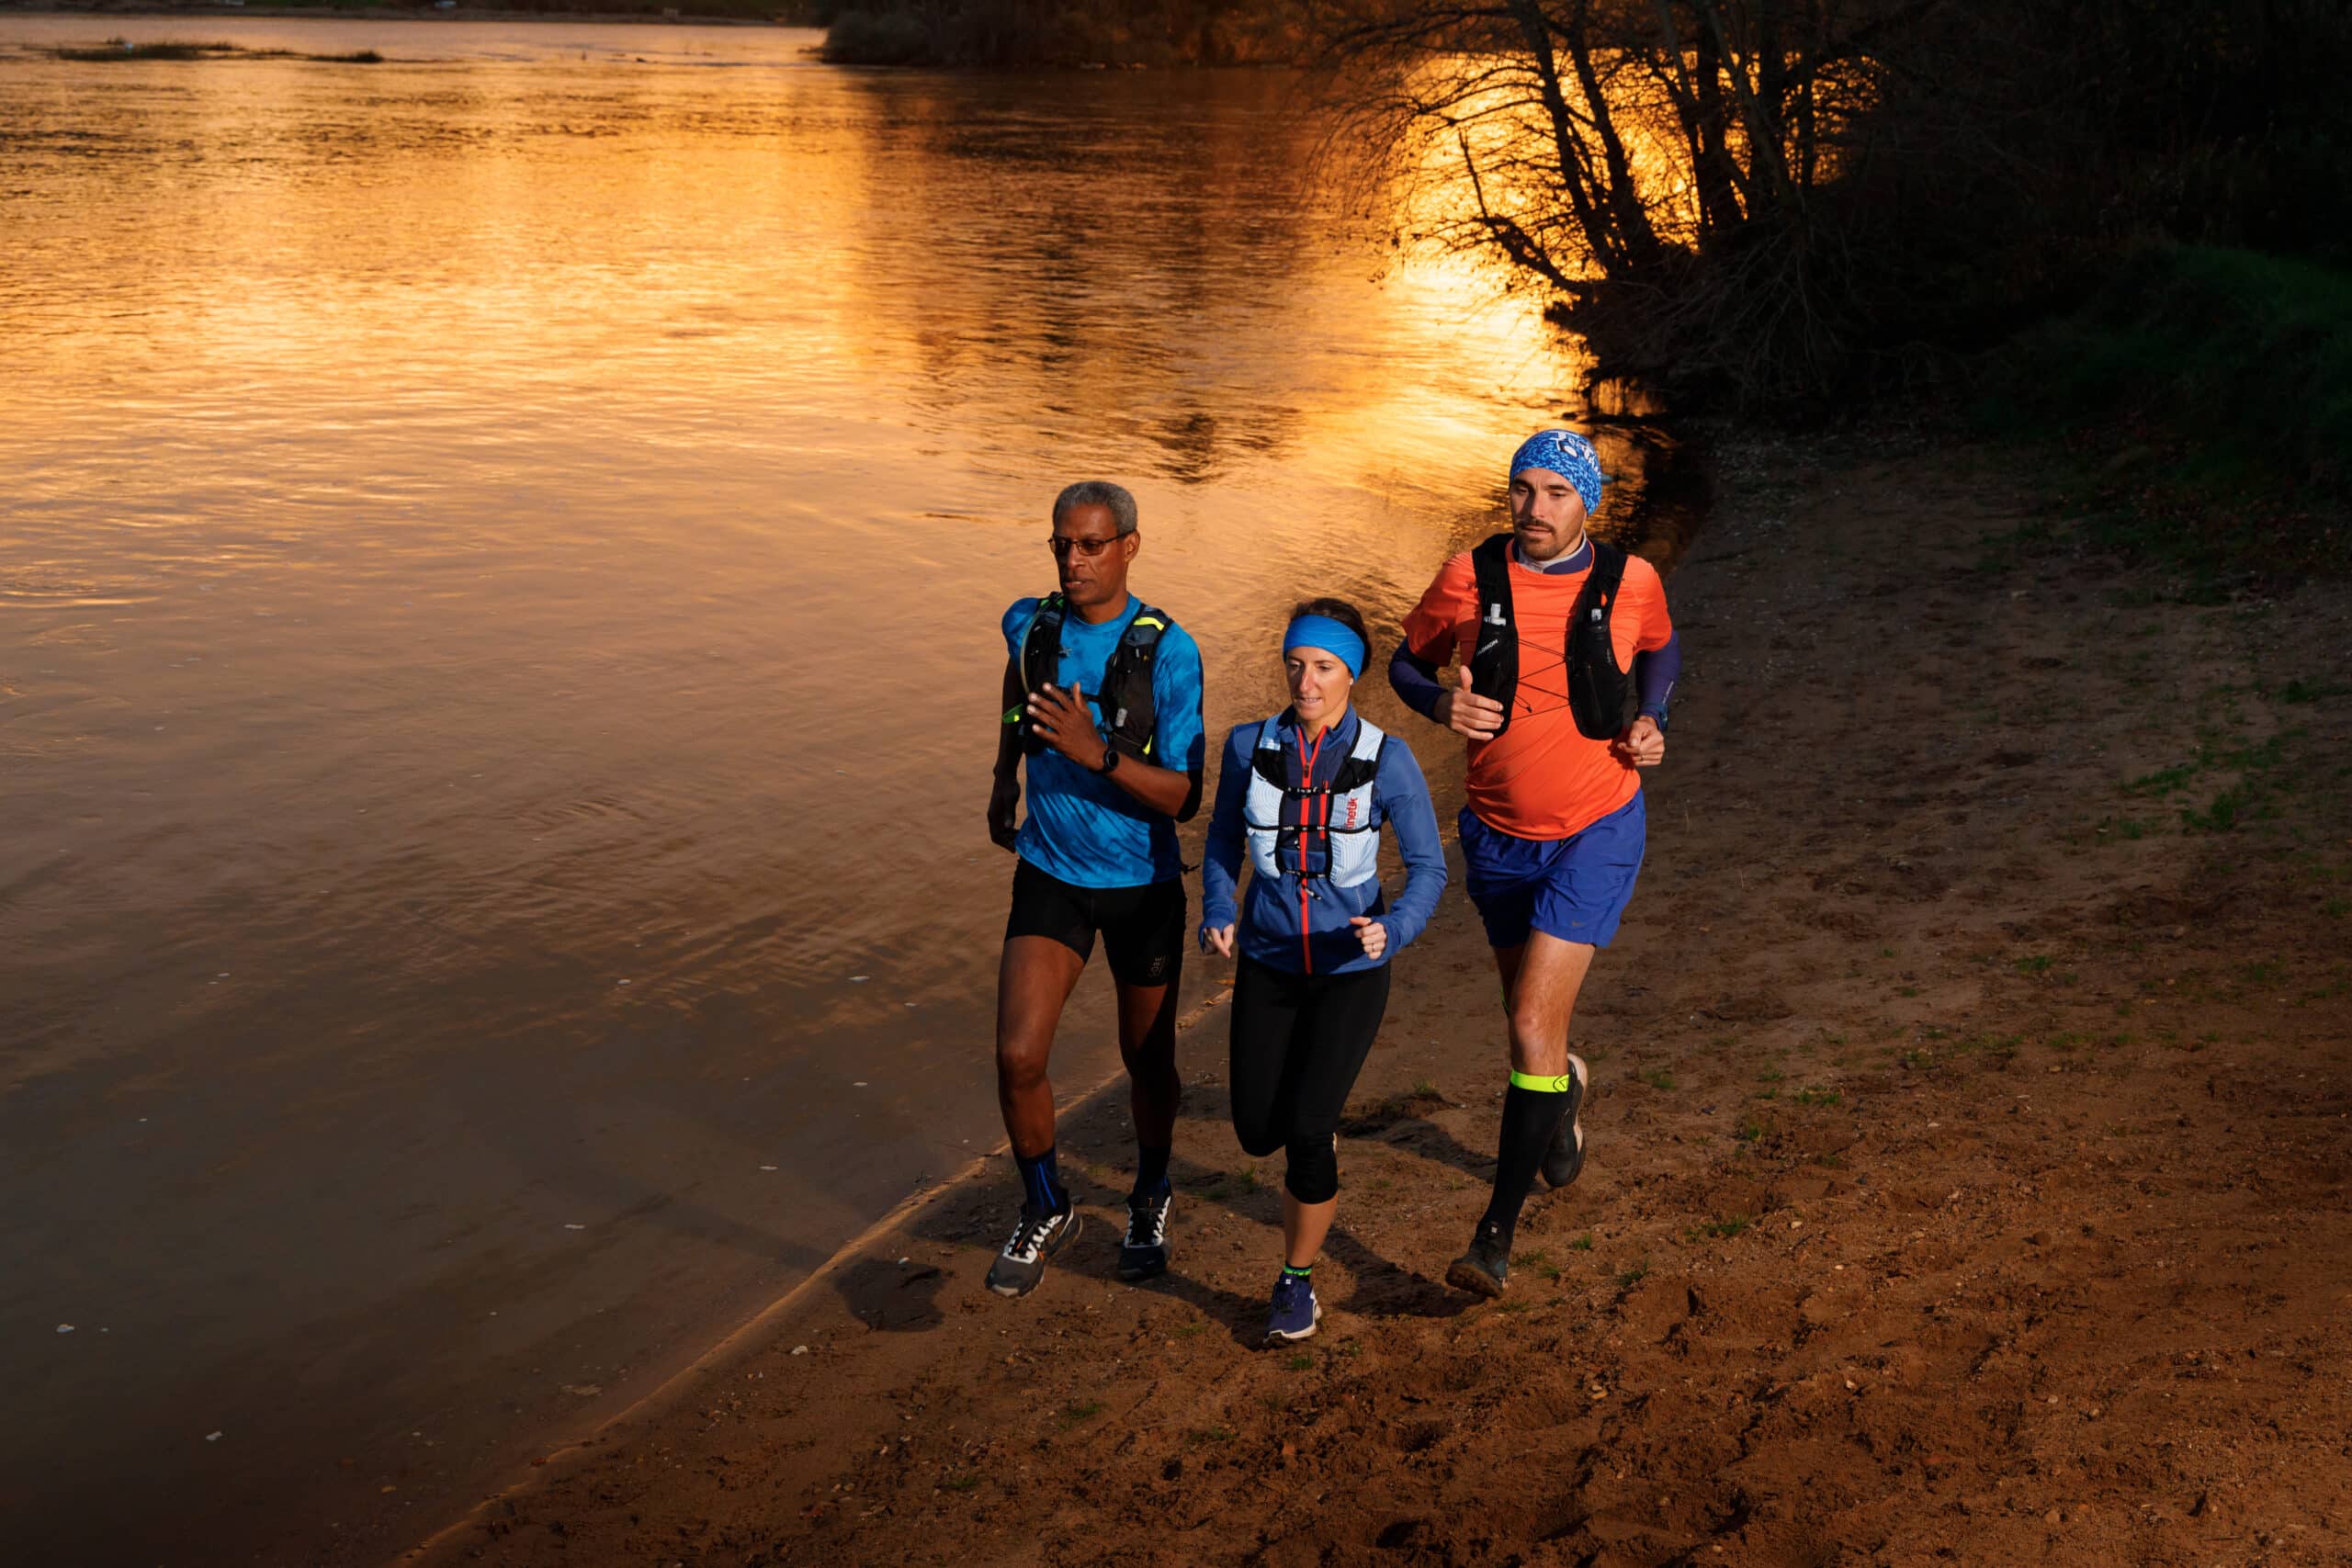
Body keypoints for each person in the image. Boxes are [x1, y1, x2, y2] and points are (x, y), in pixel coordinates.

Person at [1387, 431, 1681, 1298]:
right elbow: (1406, 662)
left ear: (1586, 500)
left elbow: (1661, 646)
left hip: (1598, 823)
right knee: (1534, 1033)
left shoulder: (1630, 581)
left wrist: (1653, 715)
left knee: (1525, 1026)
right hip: (1495, 831)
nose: (1535, 509)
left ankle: (1492, 1237)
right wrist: (1440, 701)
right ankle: (1563, 1103)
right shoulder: (1467, 578)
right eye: (1522, 489)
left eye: (1556, 492)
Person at [1200, 599, 1446, 1342]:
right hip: (1269, 964)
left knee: (1307, 1129)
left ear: (1353, 675)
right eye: (1296, 666)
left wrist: (1392, 929)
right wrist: (1218, 906)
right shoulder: (1247, 746)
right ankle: (1314, 1135)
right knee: (1254, 1132)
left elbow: (1431, 869)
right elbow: (1220, 840)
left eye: (1325, 669)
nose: (1307, 683)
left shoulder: (1388, 758)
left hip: (1350, 970)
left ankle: (1296, 1282)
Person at [985, 480, 1206, 1299]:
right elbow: (1020, 684)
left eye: (1090, 545)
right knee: (1016, 1056)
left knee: (1147, 1062)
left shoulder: (1171, 652)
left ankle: (1150, 1191)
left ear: (1129, 547)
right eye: (1061, 544)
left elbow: (1186, 795)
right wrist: (1005, 774)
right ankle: (1046, 1202)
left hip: (1142, 884)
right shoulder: (1030, 623)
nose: (1072, 561)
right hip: (1049, 869)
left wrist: (1095, 752)